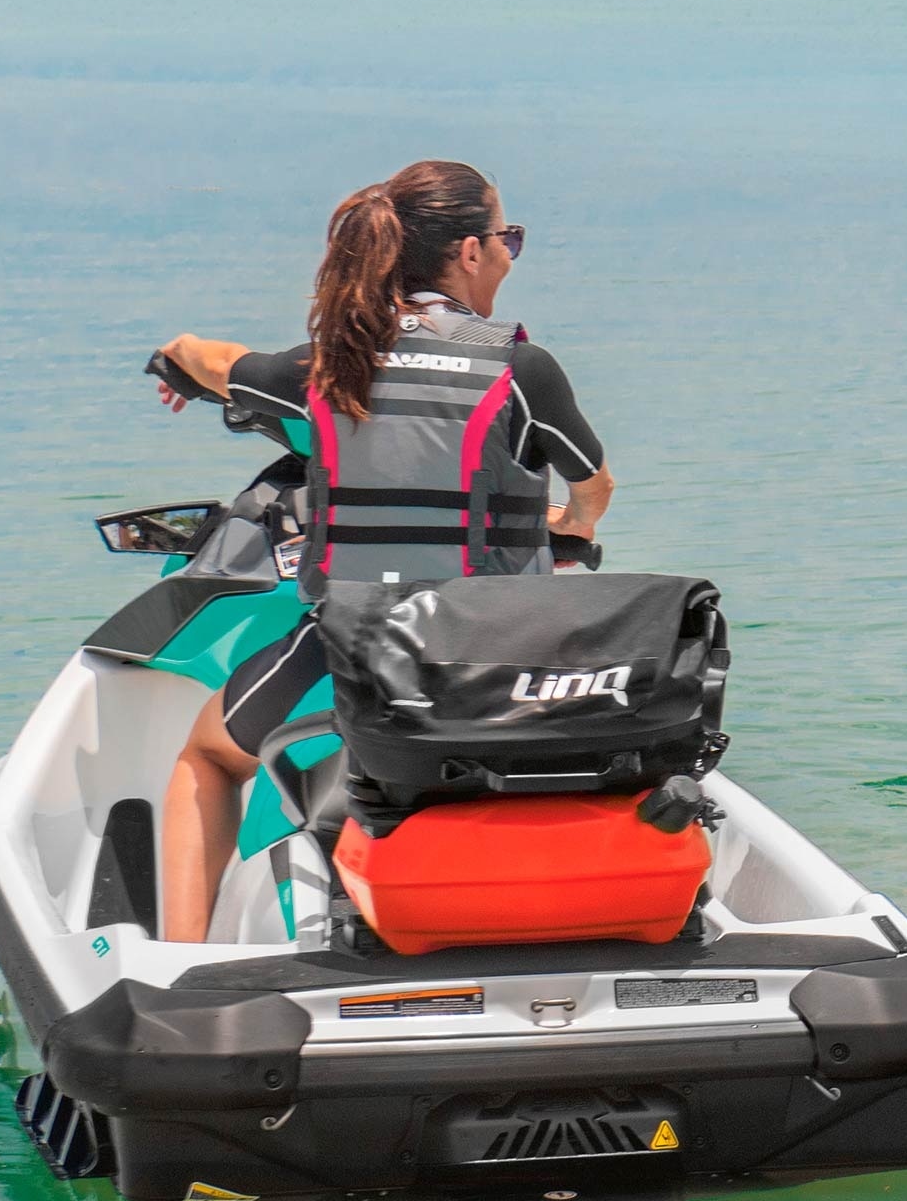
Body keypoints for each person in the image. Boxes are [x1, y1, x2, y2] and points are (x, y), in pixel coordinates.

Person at [143, 159, 614, 941]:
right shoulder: (520, 369)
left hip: (359, 648)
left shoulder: (326, 364)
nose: (508, 253)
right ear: (469, 252)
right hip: (496, 659)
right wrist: (571, 525)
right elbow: (594, 485)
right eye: (509, 238)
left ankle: (177, 965)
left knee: (207, 754)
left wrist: (174, 361)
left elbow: (214, 359)